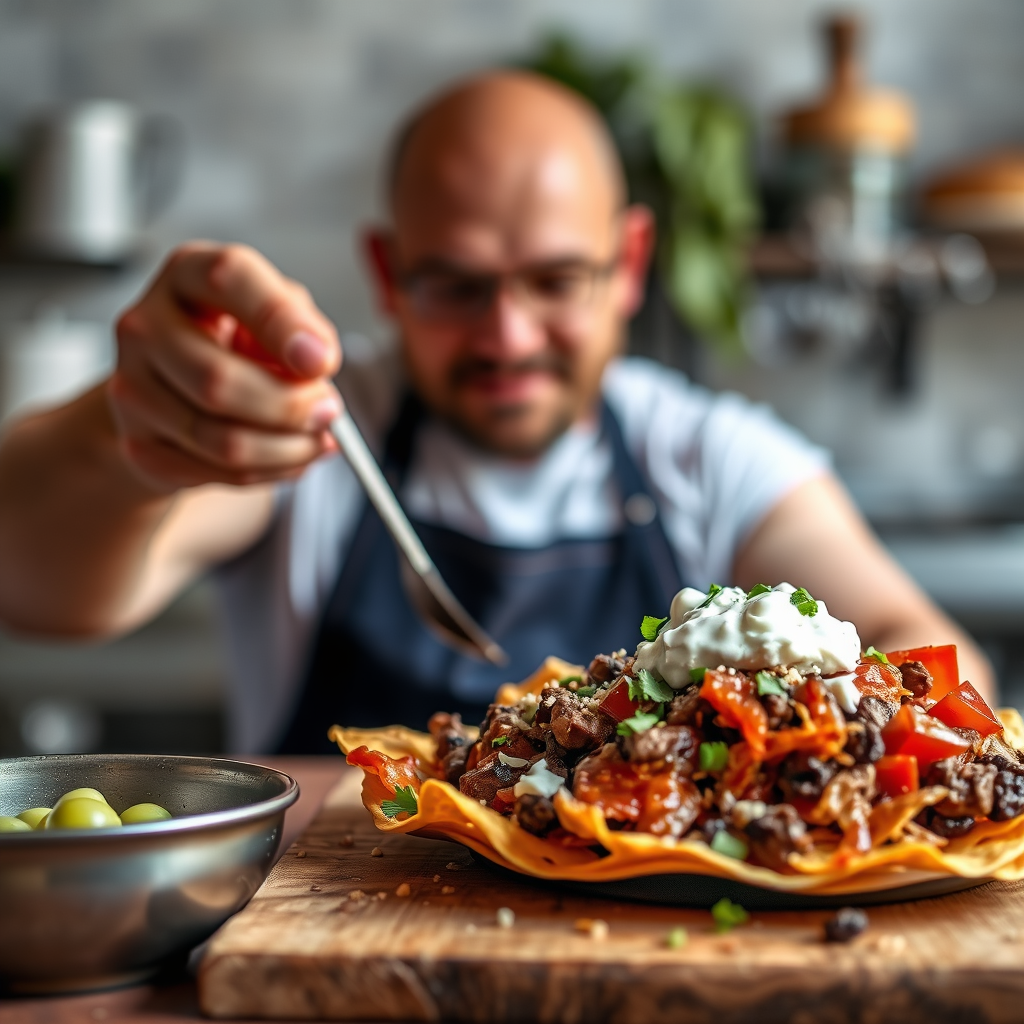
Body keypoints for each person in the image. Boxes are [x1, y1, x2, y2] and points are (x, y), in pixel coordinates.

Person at [0, 72, 993, 753]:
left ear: (629, 266)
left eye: (555, 281)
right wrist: (129, 441)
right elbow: (32, 580)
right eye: (456, 285)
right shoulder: (311, 434)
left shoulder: (710, 457)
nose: (508, 336)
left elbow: (926, 649)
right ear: (389, 273)